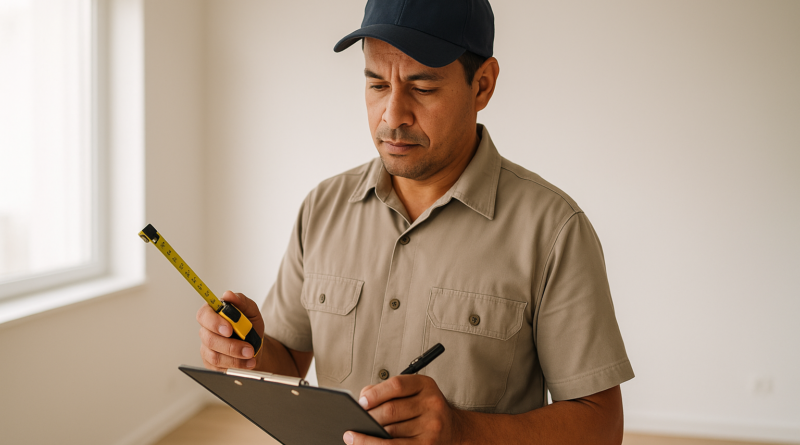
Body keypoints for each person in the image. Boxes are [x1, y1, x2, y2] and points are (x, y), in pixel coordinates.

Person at [196, 0, 634, 443]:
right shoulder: (322, 208)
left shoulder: (554, 229)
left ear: (482, 85)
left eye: (422, 88)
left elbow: (601, 425)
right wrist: (247, 352)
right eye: (376, 84)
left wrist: (463, 431)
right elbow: (289, 360)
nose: (392, 115)